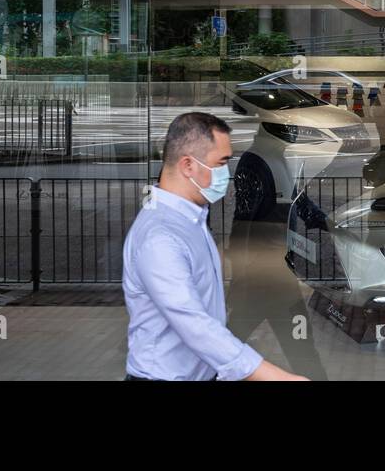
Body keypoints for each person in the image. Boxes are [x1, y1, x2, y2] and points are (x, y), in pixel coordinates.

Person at [122, 111, 305, 381]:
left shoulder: (191, 218)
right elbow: (195, 325)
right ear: (188, 166)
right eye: (220, 163)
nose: (225, 174)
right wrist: (274, 376)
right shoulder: (160, 237)